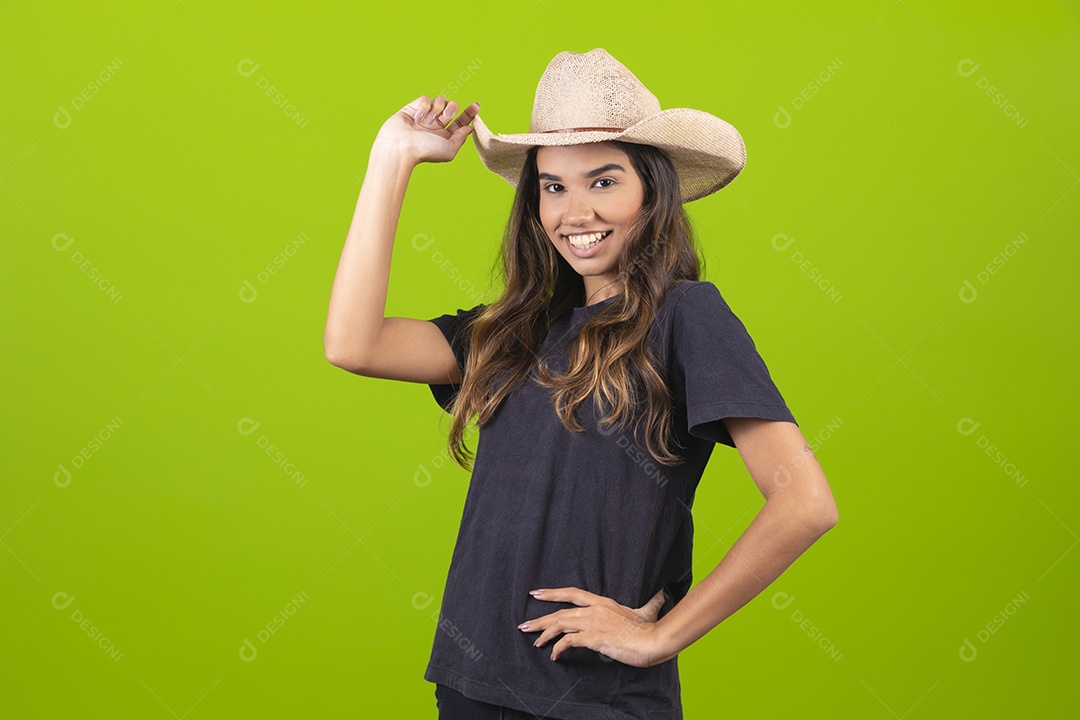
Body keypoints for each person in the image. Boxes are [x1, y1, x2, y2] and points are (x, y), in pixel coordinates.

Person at [324, 48, 838, 720]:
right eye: (553, 187)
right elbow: (352, 343)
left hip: (595, 700)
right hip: (471, 688)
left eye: (603, 181)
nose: (575, 212)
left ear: (652, 191)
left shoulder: (687, 317)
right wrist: (391, 158)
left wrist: (660, 636)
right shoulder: (513, 330)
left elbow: (805, 503)